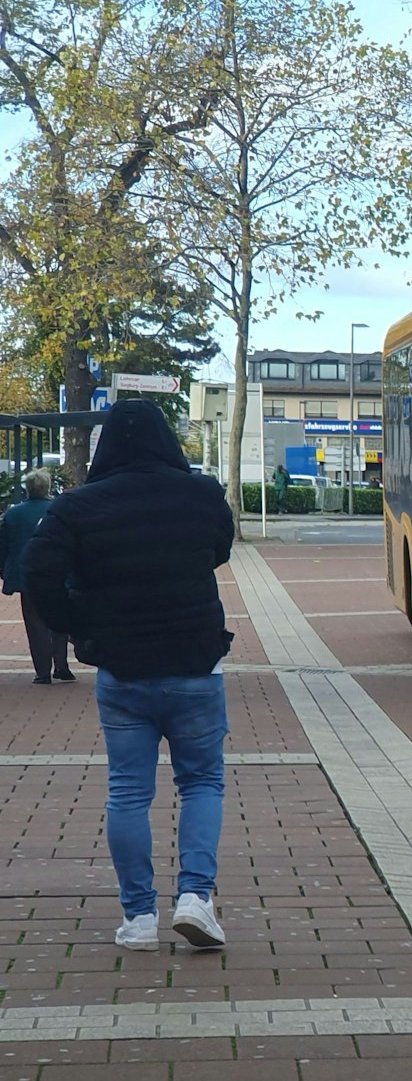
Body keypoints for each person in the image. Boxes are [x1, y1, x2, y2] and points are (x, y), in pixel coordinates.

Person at [22, 400, 235, 952]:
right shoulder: (201, 493)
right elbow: (219, 549)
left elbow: (37, 570)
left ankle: (139, 917)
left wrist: (76, 624)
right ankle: (196, 898)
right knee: (202, 783)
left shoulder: (77, 505)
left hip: (122, 668)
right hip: (194, 662)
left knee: (128, 792)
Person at [1, 470, 75, 684]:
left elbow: (3, 547)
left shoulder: (13, 514)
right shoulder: (59, 510)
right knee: (60, 618)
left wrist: (5, 571)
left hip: (27, 576)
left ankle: (42, 671)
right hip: (59, 573)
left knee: (35, 623)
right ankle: (61, 666)